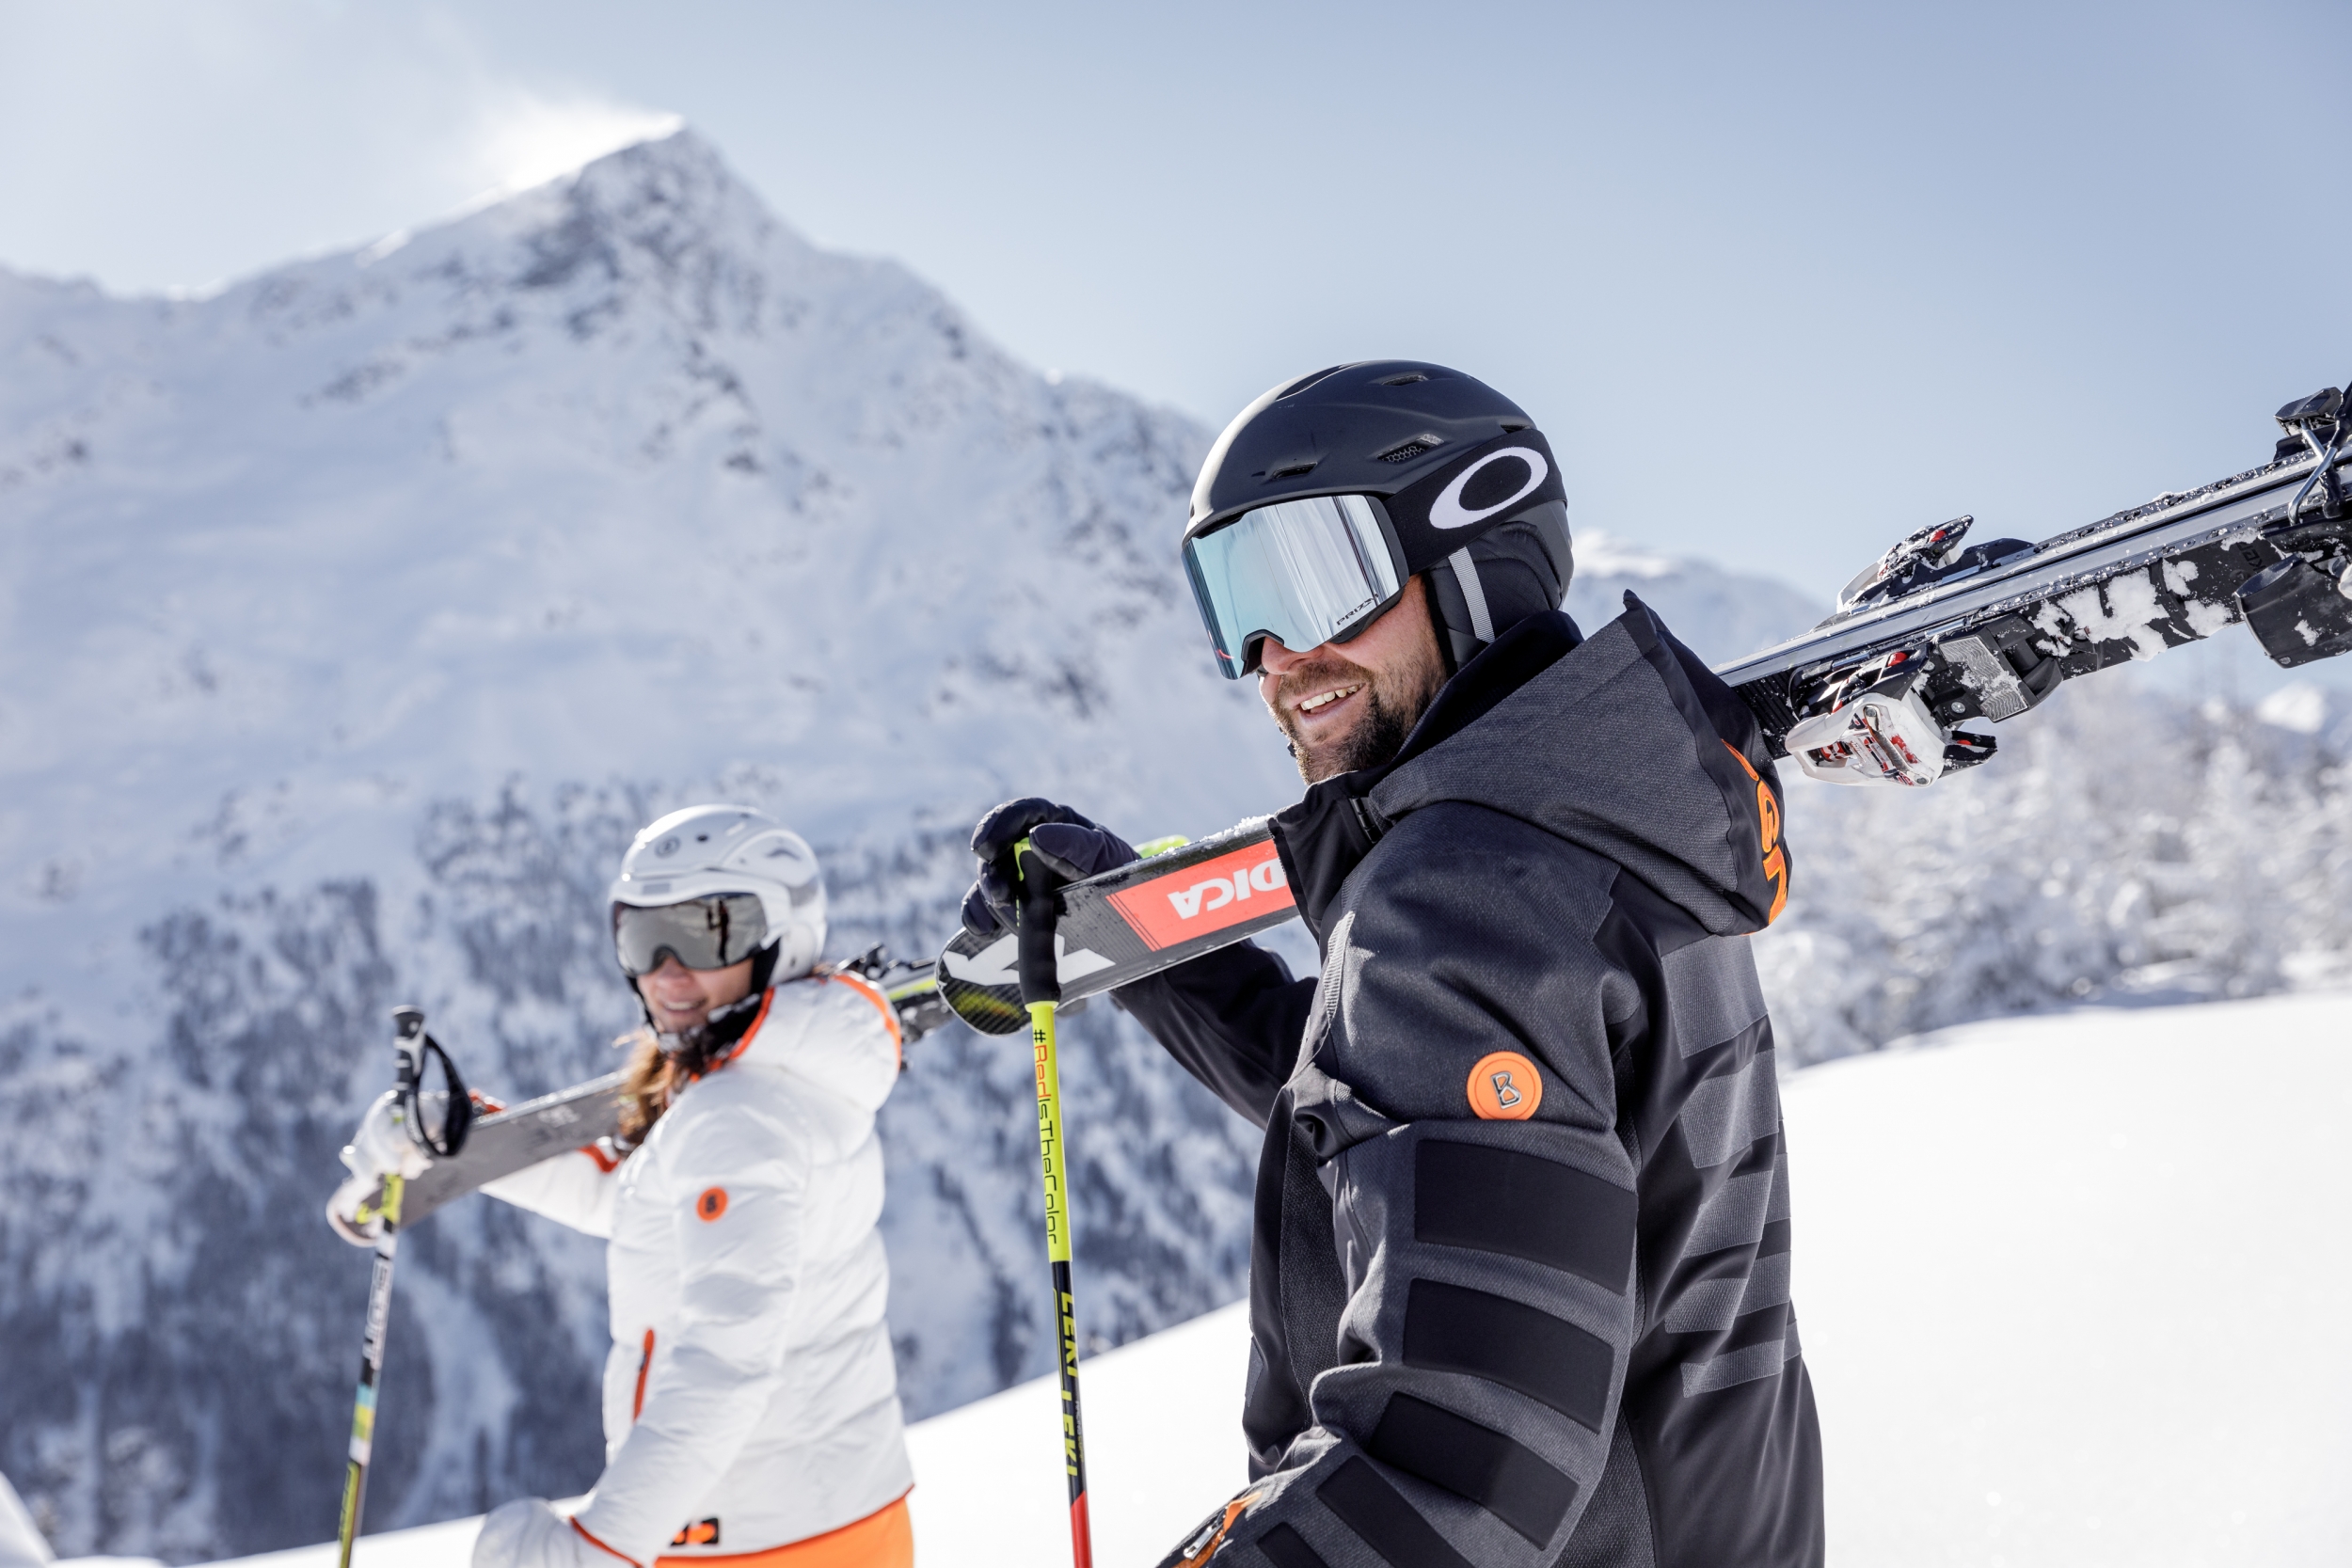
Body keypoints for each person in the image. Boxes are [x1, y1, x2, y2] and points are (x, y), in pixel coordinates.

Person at [963, 363, 1822, 1566]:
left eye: (1318, 580)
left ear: (1472, 566)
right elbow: (1392, 1097)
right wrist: (1151, 950)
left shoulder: (1460, 895)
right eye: (1239, 603)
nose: (1277, 656)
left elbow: (1455, 1454)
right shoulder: (1600, 840)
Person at [330, 805, 914, 1568]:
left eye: (707, 932)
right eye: (643, 937)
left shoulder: (734, 1115)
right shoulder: (785, 1079)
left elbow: (725, 1361)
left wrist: (603, 1546)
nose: (667, 972)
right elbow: (645, 1206)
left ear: (783, 936)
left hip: (755, 1544)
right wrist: (456, 1137)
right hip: (832, 1519)